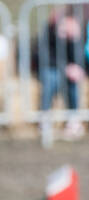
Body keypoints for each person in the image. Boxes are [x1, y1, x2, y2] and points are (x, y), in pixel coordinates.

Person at [33, 10, 87, 141]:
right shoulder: (46, 35)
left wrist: (73, 40)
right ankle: (45, 119)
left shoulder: (75, 37)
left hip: (66, 73)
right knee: (52, 78)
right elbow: (43, 57)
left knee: (72, 81)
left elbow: (80, 59)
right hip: (49, 70)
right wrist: (66, 68)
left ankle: (73, 119)